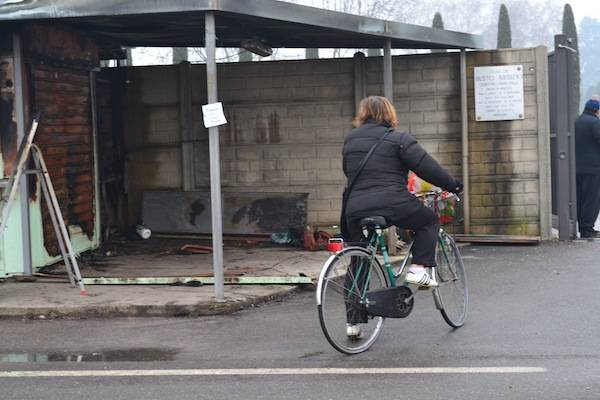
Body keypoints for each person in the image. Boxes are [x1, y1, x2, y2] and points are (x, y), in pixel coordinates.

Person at [342, 96, 462, 289]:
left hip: (354, 207)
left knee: (360, 254)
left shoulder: (350, 141)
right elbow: (427, 169)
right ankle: (417, 269)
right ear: (389, 114)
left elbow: (348, 171)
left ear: (363, 114)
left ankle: (355, 310)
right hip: (391, 202)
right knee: (428, 221)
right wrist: (454, 185)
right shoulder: (398, 139)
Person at [575, 98, 600, 238]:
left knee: (581, 199)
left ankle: (582, 227)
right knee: (592, 199)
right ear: (597, 110)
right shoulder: (595, 122)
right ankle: (587, 229)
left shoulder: (577, 121)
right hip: (593, 169)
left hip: (577, 168)